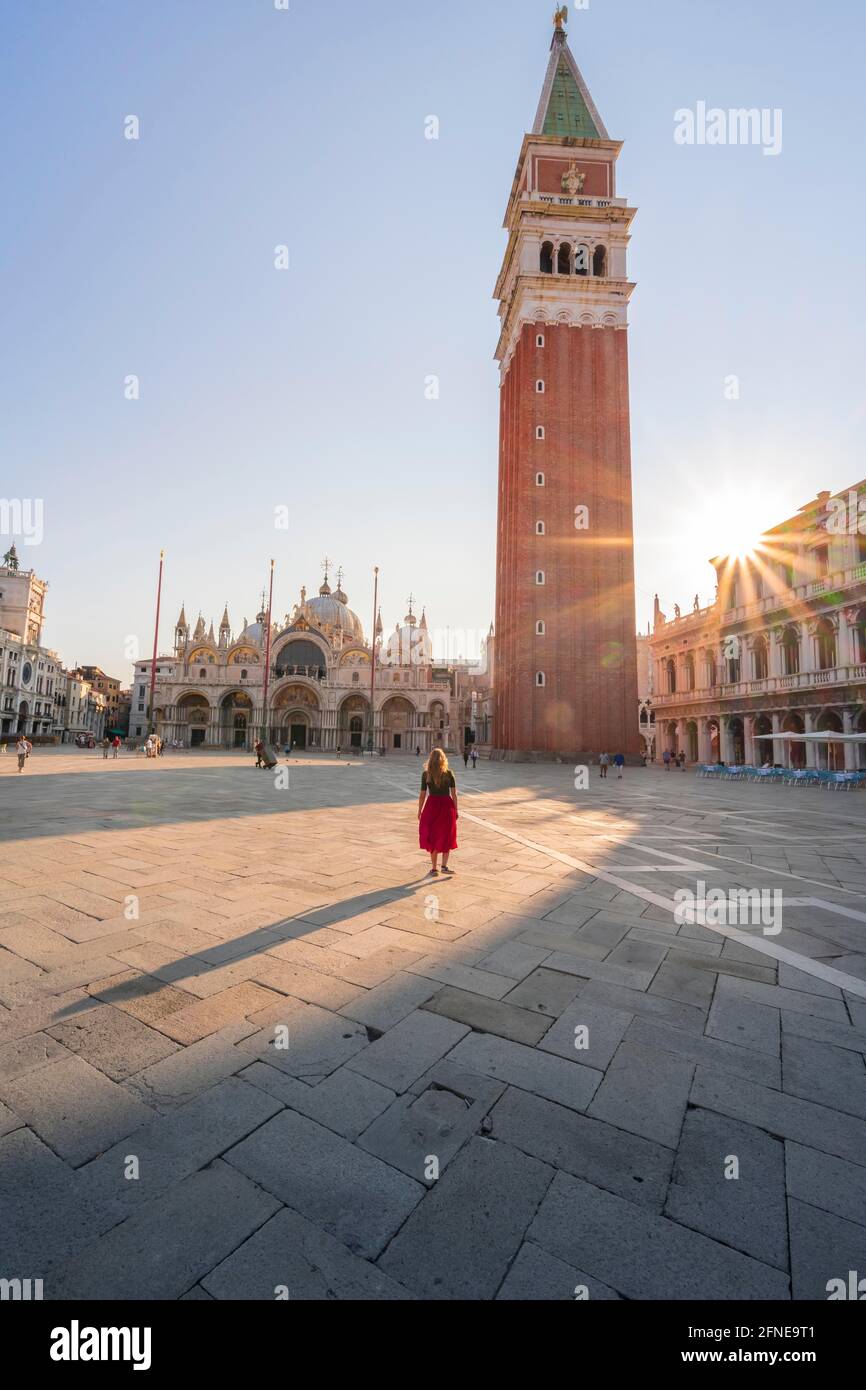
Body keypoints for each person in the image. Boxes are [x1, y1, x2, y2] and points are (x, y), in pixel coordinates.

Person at [418, 747, 458, 876]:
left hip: (431, 806)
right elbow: (454, 794)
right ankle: (444, 867)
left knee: (433, 836)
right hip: (447, 806)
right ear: (443, 759)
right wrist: (456, 810)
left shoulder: (426, 774)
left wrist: (420, 810)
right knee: (447, 835)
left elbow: (422, 794)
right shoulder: (449, 773)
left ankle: (434, 868)